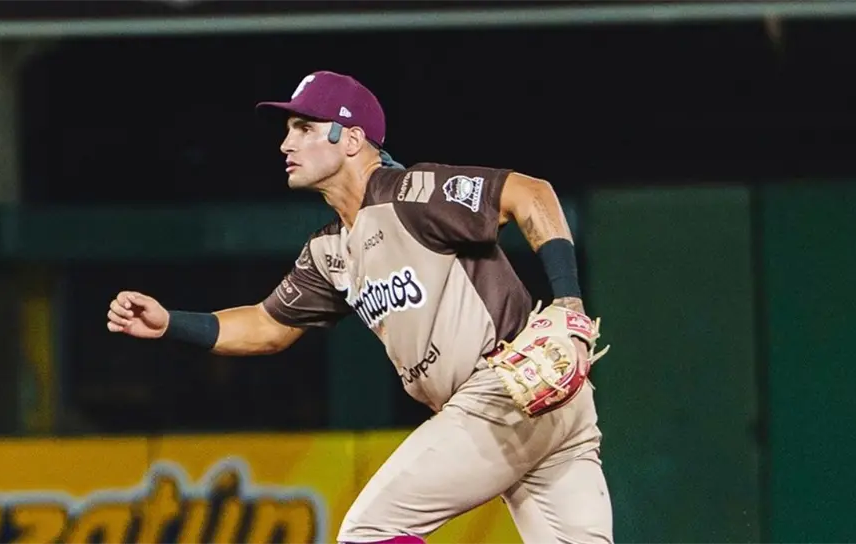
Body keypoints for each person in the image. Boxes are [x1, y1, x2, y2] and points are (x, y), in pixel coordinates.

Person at [106, 70, 614, 543]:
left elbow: (530, 193)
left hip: (501, 392)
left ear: (351, 139)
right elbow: (267, 326)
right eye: (289, 130)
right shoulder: (330, 251)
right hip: (530, 406)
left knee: (370, 531)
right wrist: (171, 323)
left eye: (305, 127)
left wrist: (567, 297)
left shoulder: (411, 195)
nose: (286, 143)